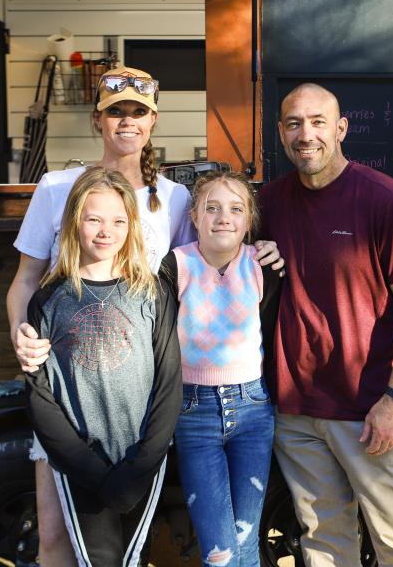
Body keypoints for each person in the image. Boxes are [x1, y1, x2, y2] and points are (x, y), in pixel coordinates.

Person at [6, 65, 282, 566]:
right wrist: (23, 339)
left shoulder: (174, 199)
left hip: (144, 398)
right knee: (53, 535)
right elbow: (26, 280)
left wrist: (257, 251)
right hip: (70, 390)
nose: (126, 122)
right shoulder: (57, 187)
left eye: (138, 112)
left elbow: (197, 271)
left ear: (153, 122)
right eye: (116, 112)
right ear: (98, 119)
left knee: (125, 545)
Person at [258, 83, 393, 566]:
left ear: (340, 129)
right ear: (280, 133)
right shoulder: (268, 203)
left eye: (318, 122)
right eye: (294, 123)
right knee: (322, 543)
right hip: (295, 414)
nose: (305, 134)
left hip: (368, 412)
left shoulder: (383, 199)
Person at [25, 166, 181, 566]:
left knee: (131, 558)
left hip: (142, 459)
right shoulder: (49, 299)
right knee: (98, 559)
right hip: (80, 464)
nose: (105, 230)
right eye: (93, 219)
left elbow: (168, 382)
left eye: (117, 220)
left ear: (131, 226)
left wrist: (144, 461)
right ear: (74, 221)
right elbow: (42, 396)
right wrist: (87, 469)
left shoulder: (151, 292)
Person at [158, 172, 282, 567]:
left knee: (247, 542)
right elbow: (160, 341)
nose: (223, 217)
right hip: (195, 414)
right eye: (211, 208)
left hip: (253, 411)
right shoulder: (175, 267)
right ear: (194, 216)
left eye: (235, 209)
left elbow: (273, 332)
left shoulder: (263, 267)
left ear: (249, 221)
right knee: (220, 552)